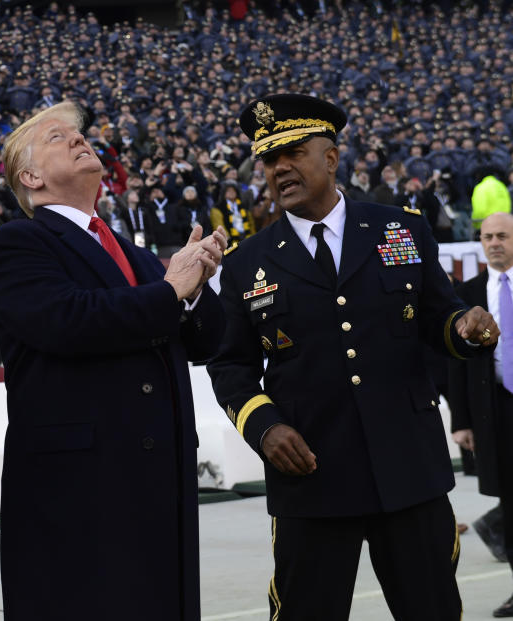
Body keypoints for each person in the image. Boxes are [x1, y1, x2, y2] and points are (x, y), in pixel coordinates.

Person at [207, 93, 500, 621]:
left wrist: (466, 328)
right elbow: (231, 367)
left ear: (331, 158)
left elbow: (440, 319)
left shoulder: (400, 228)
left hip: (409, 469)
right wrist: (266, 428)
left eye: (293, 152)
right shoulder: (245, 262)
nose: (280, 168)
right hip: (311, 477)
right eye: (269, 159)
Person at [0, 101, 227, 621]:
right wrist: (171, 291)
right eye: (57, 137)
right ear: (30, 176)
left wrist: (198, 287)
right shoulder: (19, 242)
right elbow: (69, 320)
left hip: (159, 485)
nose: (78, 139)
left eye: (78, 133)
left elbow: (207, 343)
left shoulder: (133, 254)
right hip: (81, 493)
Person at [449, 211, 513, 617]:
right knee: (511, 503)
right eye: (488, 236)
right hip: (496, 410)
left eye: (503, 236)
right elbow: (455, 362)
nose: (494, 243)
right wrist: (461, 420)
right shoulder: (467, 293)